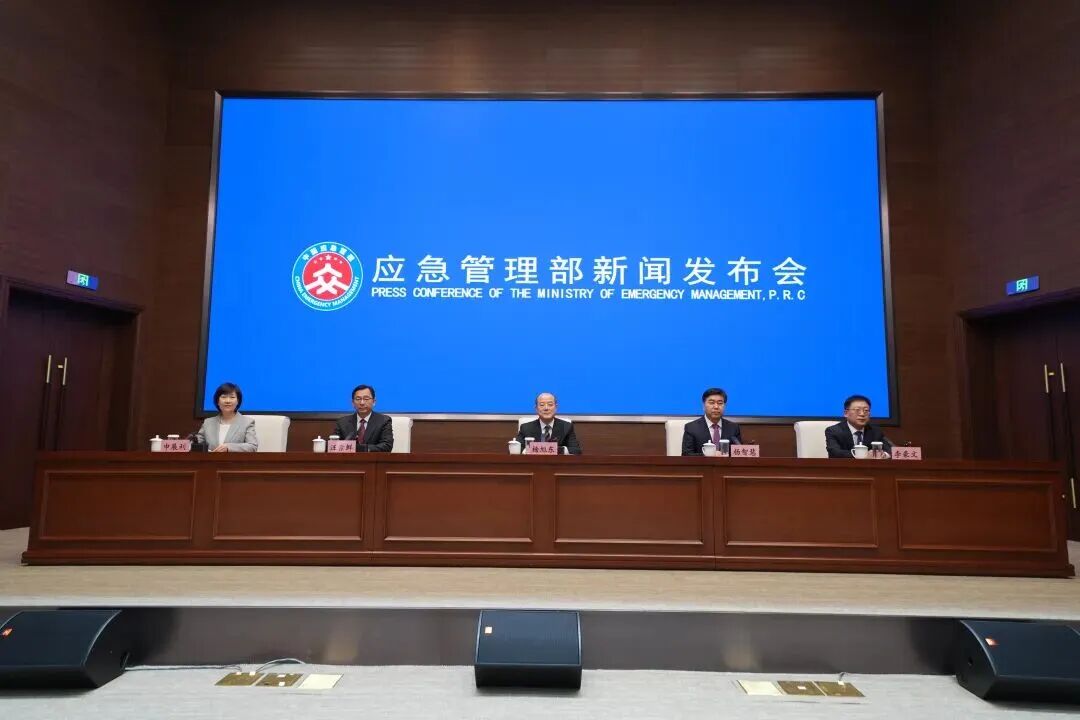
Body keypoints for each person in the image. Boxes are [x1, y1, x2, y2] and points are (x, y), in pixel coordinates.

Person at [195, 382, 258, 452]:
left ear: (238, 401)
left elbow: (252, 446)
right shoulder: (208, 423)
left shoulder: (247, 422)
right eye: (223, 397)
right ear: (217, 401)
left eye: (232, 397)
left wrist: (229, 447)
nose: (228, 401)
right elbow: (197, 443)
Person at [825, 394, 892, 458]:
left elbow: (891, 450)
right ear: (846, 413)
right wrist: (864, 455)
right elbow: (834, 452)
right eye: (857, 410)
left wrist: (883, 455)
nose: (862, 414)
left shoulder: (875, 431)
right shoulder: (834, 431)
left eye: (866, 410)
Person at [332, 384, 394, 452]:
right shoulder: (342, 422)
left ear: (374, 402)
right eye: (358, 399)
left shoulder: (384, 421)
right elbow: (333, 445)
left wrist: (363, 448)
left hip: (374, 458)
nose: (362, 403)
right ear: (353, 403)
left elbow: (387, 445)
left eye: (366, 399)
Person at [515, 392, 582, 455]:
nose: (546, 408)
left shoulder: (566, 426)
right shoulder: (526, 427)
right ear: (536, 409)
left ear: (556, 407)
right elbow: (516, 449)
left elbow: (576, 450)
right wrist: (530, 450)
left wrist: (555, 449)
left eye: (550, 404)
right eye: (542, 405)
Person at [682, 387, 742, 455]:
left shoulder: (733, 428)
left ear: (724, 406)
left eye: (720, 403)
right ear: (703, 406)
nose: (716, 407)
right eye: (711, 403)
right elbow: (686, 455)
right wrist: (710, 455)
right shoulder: (691, 428)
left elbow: (738, 454)